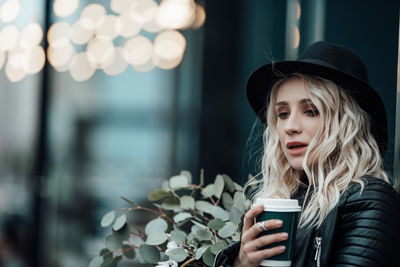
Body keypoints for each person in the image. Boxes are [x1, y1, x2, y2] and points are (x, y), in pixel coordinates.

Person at [213, 41, 400, 266]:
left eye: (310, 111)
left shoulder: (368, 198)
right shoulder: (285, 199)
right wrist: (242, 262)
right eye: (282, 114)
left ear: (346, 123)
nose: (290, 126)